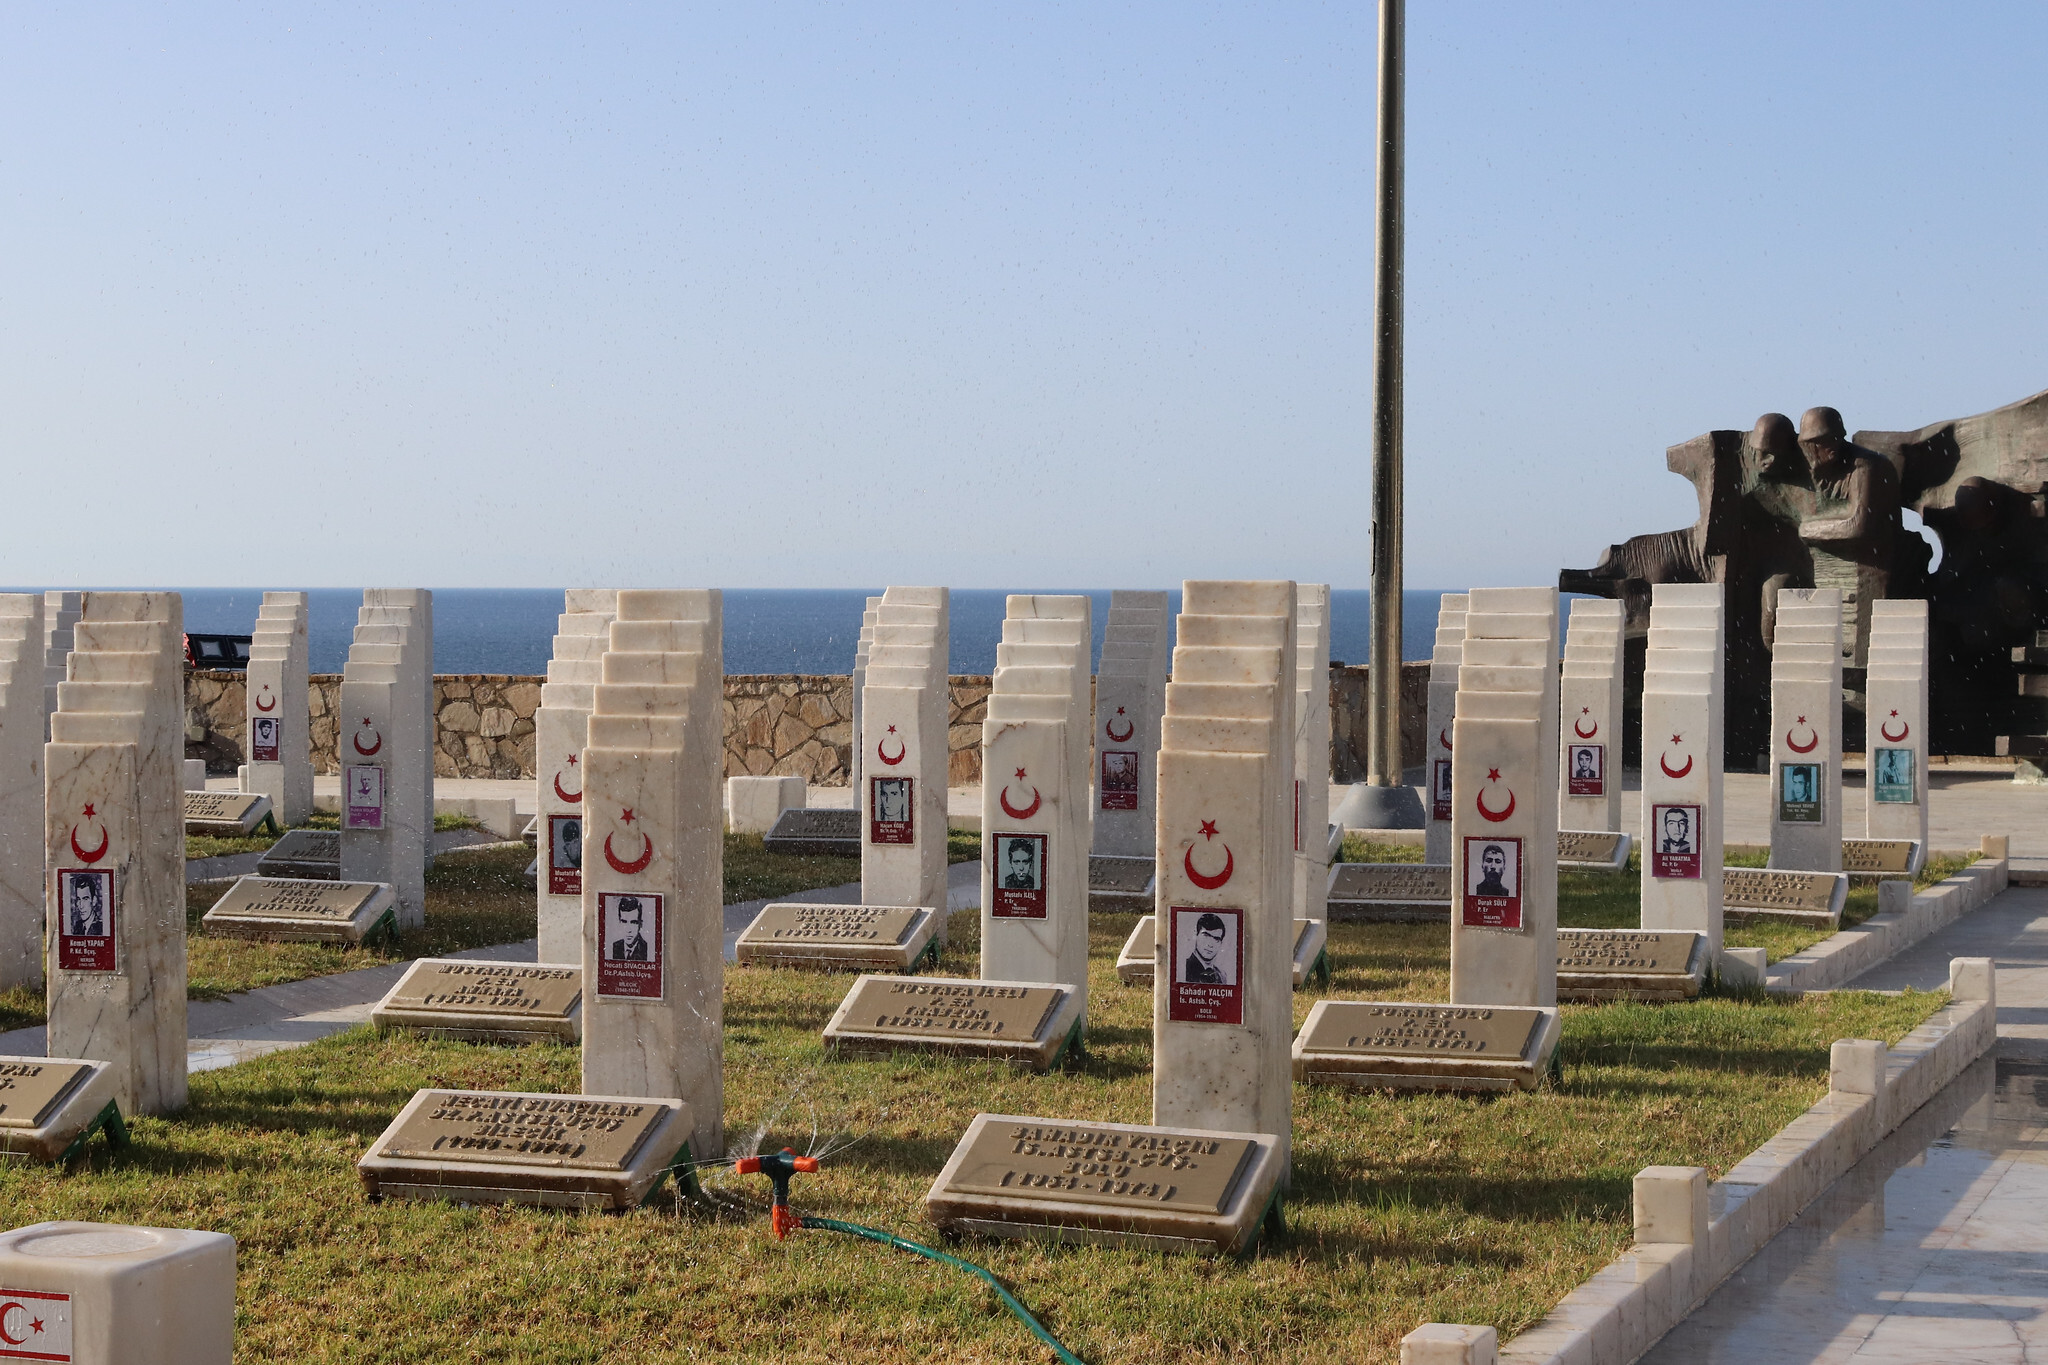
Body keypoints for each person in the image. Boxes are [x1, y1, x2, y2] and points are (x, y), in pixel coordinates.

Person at [1183, 912, 1231, 984]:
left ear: (1221, 943)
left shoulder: (1221, 976)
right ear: (1195, 935)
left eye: (1216, 939)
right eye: (1206, 936)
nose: (1210, 944)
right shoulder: (1183, 969)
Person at [610, 896, 649, 961]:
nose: (628, 930)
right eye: (624, 922)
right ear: (619, 923)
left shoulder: (647, 950)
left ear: (640, 925)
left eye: (633, 922)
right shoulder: (613, 947)